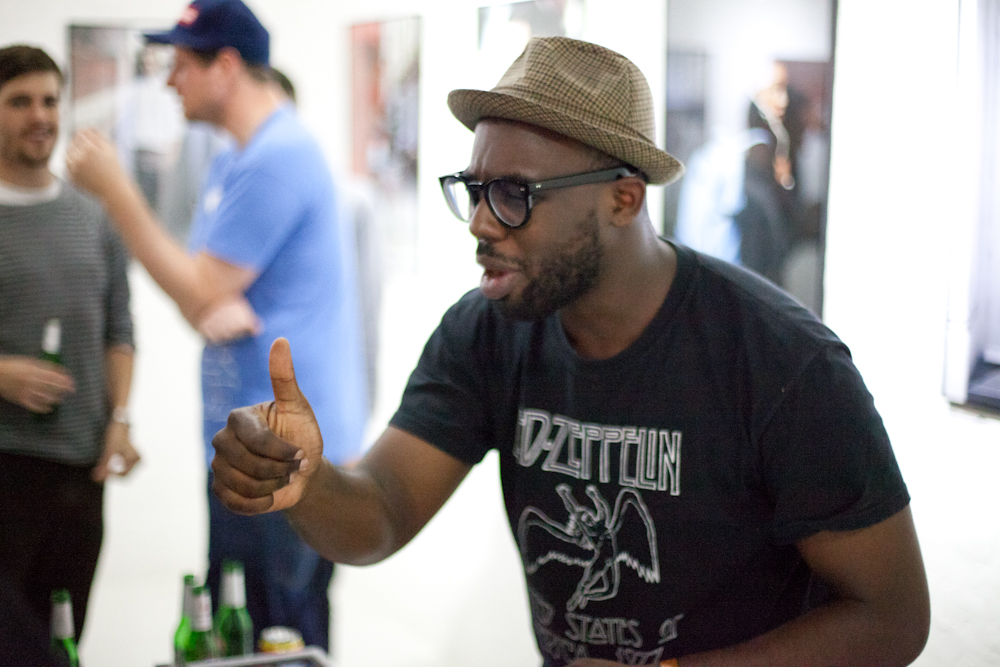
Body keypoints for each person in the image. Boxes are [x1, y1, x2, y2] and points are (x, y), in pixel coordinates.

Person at [209, 37, 930, 667]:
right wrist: (306, 480)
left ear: (623, 199)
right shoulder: (488, 330)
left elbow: (892, 618)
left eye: (514, 193)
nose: (481, 222)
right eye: (474, 190)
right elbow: (383, 512)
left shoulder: (780, 362)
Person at [65, 0, 367, 651]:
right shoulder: (236, 158)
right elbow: (194, 291)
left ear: (225, 67)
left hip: (284, 452)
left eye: (180, 65)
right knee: (236, 628)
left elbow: (197, 284)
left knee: (279, 639)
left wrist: (116, 191)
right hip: (244, 441)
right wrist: (201, 295)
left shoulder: (277, 156)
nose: (170, 82)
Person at [0, 44, 138, 652]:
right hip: (7, 465)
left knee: (63, 640)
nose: (39, 116)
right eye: (19, 102)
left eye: (50, 101)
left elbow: (120, 331)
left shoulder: (93, 217)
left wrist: (120, 419)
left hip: (82, 471)